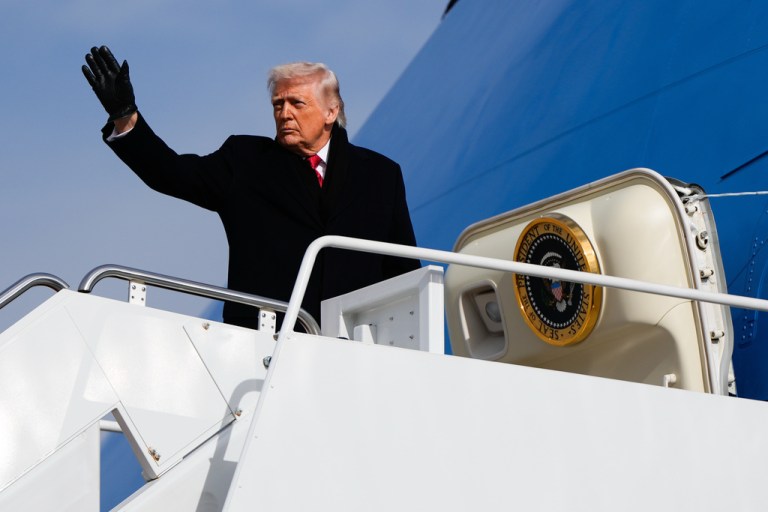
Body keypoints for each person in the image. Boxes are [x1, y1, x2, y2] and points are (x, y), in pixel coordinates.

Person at [81, 46, 420, 329]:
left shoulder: (381, 175)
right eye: (278, 104)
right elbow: (170, 173)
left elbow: (402, 273)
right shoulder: (244, 161)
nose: (284, 113)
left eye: (296, 104)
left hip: (356, 351)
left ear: (331, 111)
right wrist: (126, 116)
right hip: (262, 347)